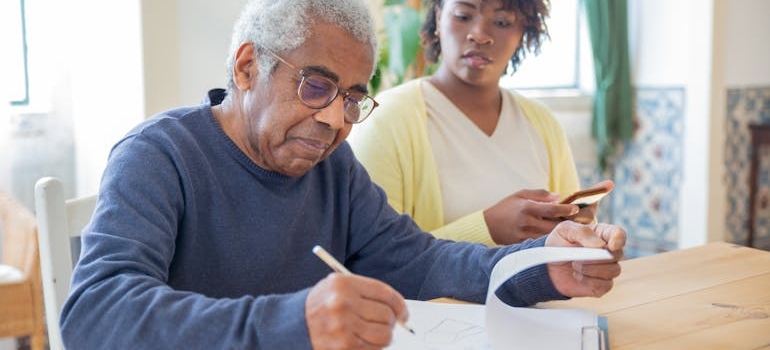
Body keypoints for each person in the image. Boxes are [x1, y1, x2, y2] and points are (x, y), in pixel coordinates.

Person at [60, 0, 626, 349]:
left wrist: (544, 266)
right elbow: (96, 314)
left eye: (353, 97)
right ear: (247, 66)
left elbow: (421, 259)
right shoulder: (159, 157)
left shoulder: (331, 164)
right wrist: (291, 323)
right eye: (315, 85)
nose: (334, 119)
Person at [349, 0, 603, 246]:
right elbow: (374, 256)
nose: (481, 35)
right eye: (463, 15)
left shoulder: (542, 122)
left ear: (522, 32)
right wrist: (488, 229)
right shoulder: (386, 120)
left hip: (536, 290)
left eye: (503, 22)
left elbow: (566, 234)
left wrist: (581, 232)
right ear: (439, 17)